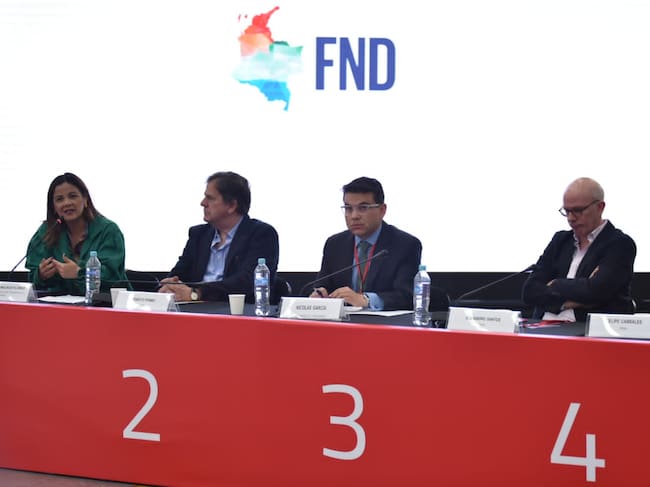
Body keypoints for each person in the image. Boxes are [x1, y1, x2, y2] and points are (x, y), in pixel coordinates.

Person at [522, 177, 636, 322]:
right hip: (542, 326)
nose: (571, 218)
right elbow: (530, 291)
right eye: (566, 211)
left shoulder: (619, 244)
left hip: (588, 329)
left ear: (600, 207)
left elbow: (597, 291)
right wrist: (568, 302)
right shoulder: (560, 240)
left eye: (578, 210)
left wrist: (556, 284)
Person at [159, 171, 279, 302]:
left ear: (232, 206)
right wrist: (170, 285)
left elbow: (246, 282)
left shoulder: (261, 234)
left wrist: (197, 294)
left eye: (210, 198)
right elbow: (179, 273)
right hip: (193, 308)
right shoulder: (198, 234)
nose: (203, 203)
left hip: (237, 309)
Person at [310, 176, 422, 311]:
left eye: (363, 208)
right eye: (348, 208)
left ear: (382, 210)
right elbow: (322, 285)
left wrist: (366, 300)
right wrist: (319, 293)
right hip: (342, 320)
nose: (354, 216)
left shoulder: (405, 245)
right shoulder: (335, 244)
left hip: (382, 323)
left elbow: (406, 296)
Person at [25, 172, 128, 294]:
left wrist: (78, 272)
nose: (67, 203)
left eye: (73, 196)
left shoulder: (108, 231)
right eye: (59, 199)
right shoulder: (47, 231)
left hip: (105, 303)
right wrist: (41, 274)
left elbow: (112, 277)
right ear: (53, 207)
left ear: (85, 200)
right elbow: (32, 277)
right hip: (59, 303)